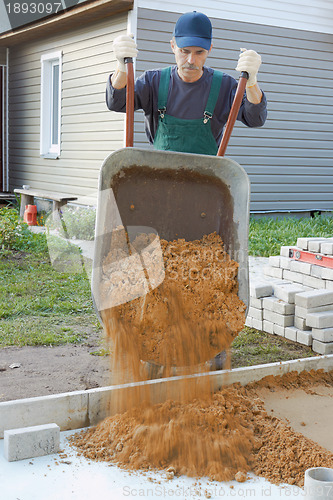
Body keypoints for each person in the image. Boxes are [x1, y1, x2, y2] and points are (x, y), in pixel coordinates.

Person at [106, 10, 267, 156]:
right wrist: (121, 67)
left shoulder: (224, 86)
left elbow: (255, 119)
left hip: (206, 179)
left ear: (209, 49)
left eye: (199, 52)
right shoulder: (153, 82)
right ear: (173, 46)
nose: (191, 60)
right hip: (160, 176)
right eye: (185, 51)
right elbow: (117, 102)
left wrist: (251, 82)